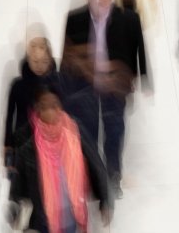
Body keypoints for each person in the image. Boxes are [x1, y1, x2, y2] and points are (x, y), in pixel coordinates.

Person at [61, 0, 149, 197]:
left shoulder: (128, 18)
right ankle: (93, 176)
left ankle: (113, 175)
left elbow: (139, 48)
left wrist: (143, 77)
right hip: (85, 86)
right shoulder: (74, 19)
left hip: (115, 85)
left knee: (114, 130)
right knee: (88, 132)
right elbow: (67, 56)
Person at [7, 86, 113, 232]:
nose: (50, 111)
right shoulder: (27, 144)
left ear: (60, 106)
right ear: (37, 110)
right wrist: (15, 209)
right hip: (43, 221)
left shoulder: (74, 131)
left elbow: (95, 162)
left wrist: (105, 199)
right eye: (44, 106)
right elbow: (18, 184)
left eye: (54, 105)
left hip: (72, 215)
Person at [3, 32, 62, 171]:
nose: (40, 66)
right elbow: (9, 116)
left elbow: (63, 114)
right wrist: (8, 144)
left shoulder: (56, 84)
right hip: (23, 143)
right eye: (35, 61)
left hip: (50, 143)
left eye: (44, 62)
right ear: (28, 59)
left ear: (50, 60)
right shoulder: (18, 86)